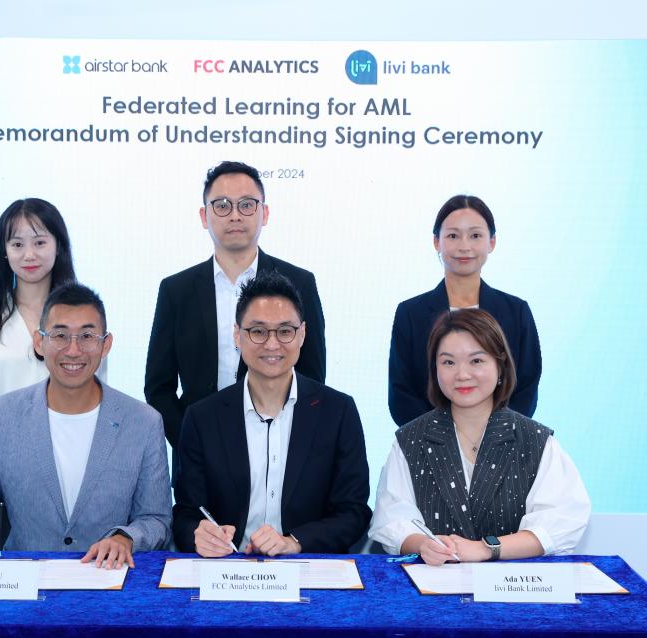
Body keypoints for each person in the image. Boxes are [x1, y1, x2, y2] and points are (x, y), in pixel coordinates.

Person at [0, 283, 171, 568]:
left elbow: (157, 520)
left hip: (111, 585)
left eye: (87, 336)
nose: (73, 350)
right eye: (60, 335)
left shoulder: (144, 422)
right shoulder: (0, 416)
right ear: (39, 342)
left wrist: (127, 538)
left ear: (106, 344)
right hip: (25, 586)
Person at [173, 272, 370, 556]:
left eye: (285, 331)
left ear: (302, 334)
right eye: (258, 331)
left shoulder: (338, 412)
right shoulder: (202, 418)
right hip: (228, 569)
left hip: (306, 567)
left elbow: (353, 512)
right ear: (237, 335)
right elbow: (186, 514)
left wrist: (295, 541)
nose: (272, 344)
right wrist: (200, 534)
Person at [370, 309, 589, 564]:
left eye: (476, 361)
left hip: (513, 591)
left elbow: (561, 522)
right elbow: (392, 519)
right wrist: (425, 545)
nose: (462, 374)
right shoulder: (410, 441)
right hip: (433, 589)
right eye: (448, 362)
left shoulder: (536, 441)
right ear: (435, 369)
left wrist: (486, 549)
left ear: (501, 365)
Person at [145, 161, 326, 455]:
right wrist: (190, 442)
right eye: (222, 205)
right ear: (204, 216)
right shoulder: (175, 290)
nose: (234, 215)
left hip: (278, 451)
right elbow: (158, 387)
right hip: (197, 454)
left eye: (246, 205)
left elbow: (313, 377)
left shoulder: (300, 283)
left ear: (264, 213)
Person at [0, 198, 106, 445]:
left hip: (71, 456)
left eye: (39, 242)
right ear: (4, 251)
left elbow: (97, 397)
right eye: (17, 244)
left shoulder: (85, 318)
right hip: (1, 461)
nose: (29, 255)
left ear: (58, 245)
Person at [388, 195, 541, 426]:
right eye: (453, 235)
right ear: (436, 242)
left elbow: (527, 386)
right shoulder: (410, 313)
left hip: (502, 448)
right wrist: (441, 441)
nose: (464, 246)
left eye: (475, 235)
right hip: (429, 450)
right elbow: (401, 392)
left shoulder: (516, 311)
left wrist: (493, 438)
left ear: (492, 242)